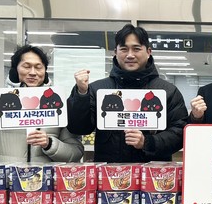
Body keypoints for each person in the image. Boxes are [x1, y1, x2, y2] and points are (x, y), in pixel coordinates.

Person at [67, 24, 188, 162]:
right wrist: (81, 94)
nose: (130, 55)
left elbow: (180, 133)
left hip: (154, 173)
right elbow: (78, 128)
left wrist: (147, 142)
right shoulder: (98, 90)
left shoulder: (167, 91)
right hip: (109, 172)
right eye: (124, 49)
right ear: (115, 52)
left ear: (148, 52)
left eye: (136, 49)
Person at [0, 45, 84, 162]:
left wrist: (50, 144)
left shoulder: (57, 104)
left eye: (38, 67)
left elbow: (76, 152)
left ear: (45, 71)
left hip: (44, 177)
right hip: (6, 176)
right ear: (15, 70)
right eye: (26, 66)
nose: (33, 72)